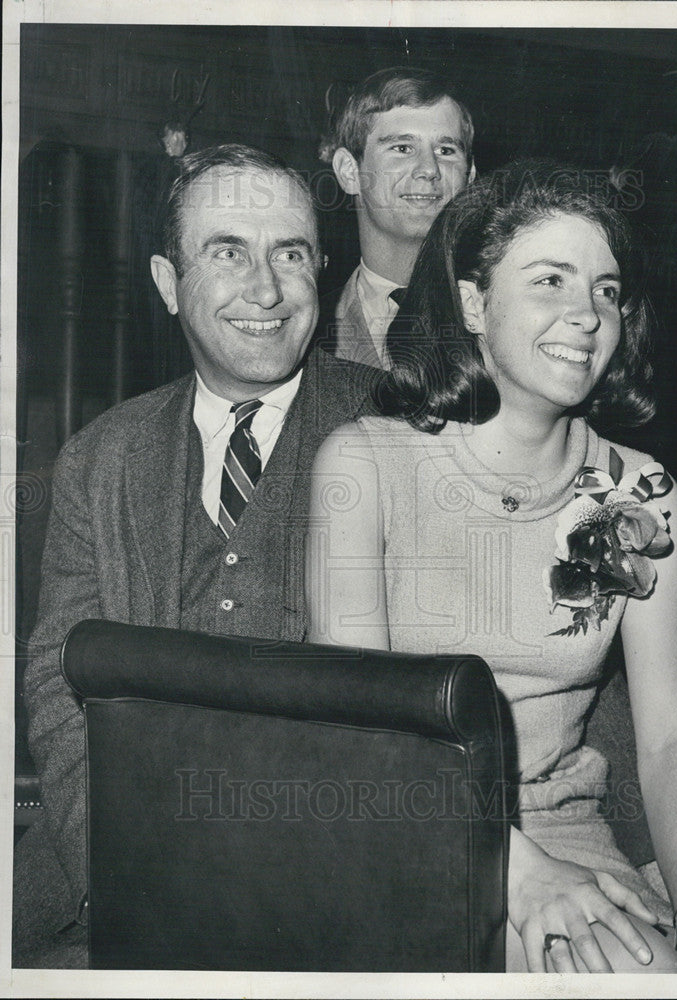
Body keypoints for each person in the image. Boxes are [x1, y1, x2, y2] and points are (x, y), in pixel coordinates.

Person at [307, 162, 677, 973]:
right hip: (396, 820)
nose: (587, 316)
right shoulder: (362, 465)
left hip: (564, 827)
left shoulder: (638, 489)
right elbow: (363, 729)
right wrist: (513, 870)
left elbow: (672, 738)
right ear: (473, 302)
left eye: (607, 291)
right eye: (551, 280)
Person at [14, 143, 373, 966]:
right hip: (113, 860)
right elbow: (59, 689)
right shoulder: (100, 456)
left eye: (289, 253)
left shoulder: (398, 428)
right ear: (168, 284)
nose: (266, 290)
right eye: (227, 253)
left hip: (330, 876)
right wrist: (121, 872)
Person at [316, 66, 475, 368]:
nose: (429, 169)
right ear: (350, 172)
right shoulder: (309, 329)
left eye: (446, 150)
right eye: (403, 148)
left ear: (470, 176)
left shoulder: (503, 315)